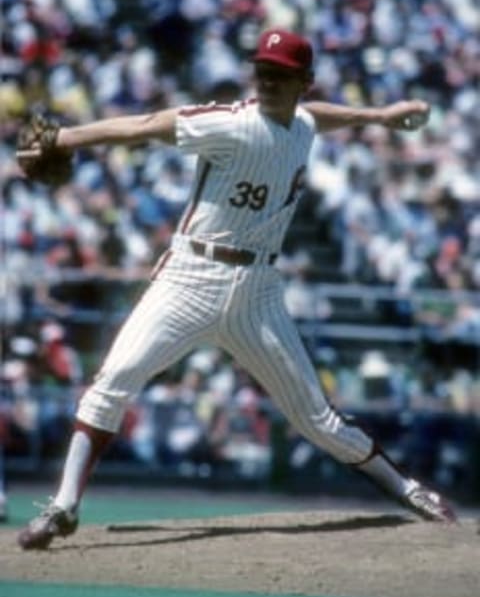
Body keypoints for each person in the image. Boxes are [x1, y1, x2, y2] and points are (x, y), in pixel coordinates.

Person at [18, 28, 456, 550]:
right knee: (112, 380)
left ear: (304, 83)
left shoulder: (303, 126)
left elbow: (321, 118)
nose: (268, 82)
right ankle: (64, 506)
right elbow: (145, 124)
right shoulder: (231, 126)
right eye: (262, 72)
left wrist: (379, 116)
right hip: (189, 278)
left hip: (258, 292)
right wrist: (65, 138)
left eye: (281, 75)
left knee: (317, 418)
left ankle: (408, 490)